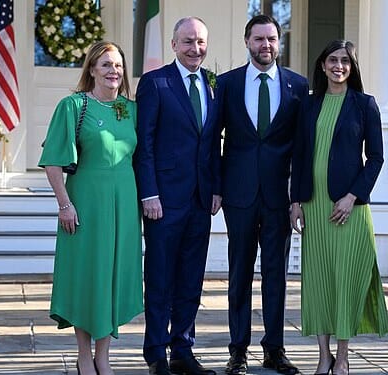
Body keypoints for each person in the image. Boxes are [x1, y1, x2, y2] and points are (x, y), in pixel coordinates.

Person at [39, 41, 143, 375]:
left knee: (113, 275)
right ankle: (84, 355)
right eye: (106, 65)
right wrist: (64, 204)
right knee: (87, 277)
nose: (114, 71)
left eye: (118, 66)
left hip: (124, 205)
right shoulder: (73, 105)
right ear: (92, 70)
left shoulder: (129, 109)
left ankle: (104, 355)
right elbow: (53, 162)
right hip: (85, 202)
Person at [289, 40, 388, 375]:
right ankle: (323, 356)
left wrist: (352, 197)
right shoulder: (309, 104)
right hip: (315, 206)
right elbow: (300, 155)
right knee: (318, 280)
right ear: (322, 65)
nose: (338, 66)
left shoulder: (364, 105)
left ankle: (343, 356)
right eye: (332, 60)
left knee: (345, 280)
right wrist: (296, 201)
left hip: (349, 209)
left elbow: (376, 158)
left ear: (352, 67)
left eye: (345, 61)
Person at [217, 14, 308, 375]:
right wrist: (214, 188)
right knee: (239, 272)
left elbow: (302, 148)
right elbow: (212, 141)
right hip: (237, 195)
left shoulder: (298, 87)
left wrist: (298, 197)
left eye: (271, 39)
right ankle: (237, 350)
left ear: (279, 42)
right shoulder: (226, 84)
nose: (265, 45)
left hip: (278, 197)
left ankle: (275, 349)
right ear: (246, 42)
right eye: (258, 39)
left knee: (276, 274)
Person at [135, 17, 222, 375]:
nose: (195, 49)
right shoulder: (156, 83)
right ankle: (156, 352)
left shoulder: (213, 85)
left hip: (201, 199)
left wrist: (216, 186)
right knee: (160, 278)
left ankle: (183, 349)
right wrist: (149, 193)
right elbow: (146, 144)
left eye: (200, 42)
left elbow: (214, 142)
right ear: (173, 45)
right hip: (164, 201)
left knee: (190, 278)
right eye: (187, 42)